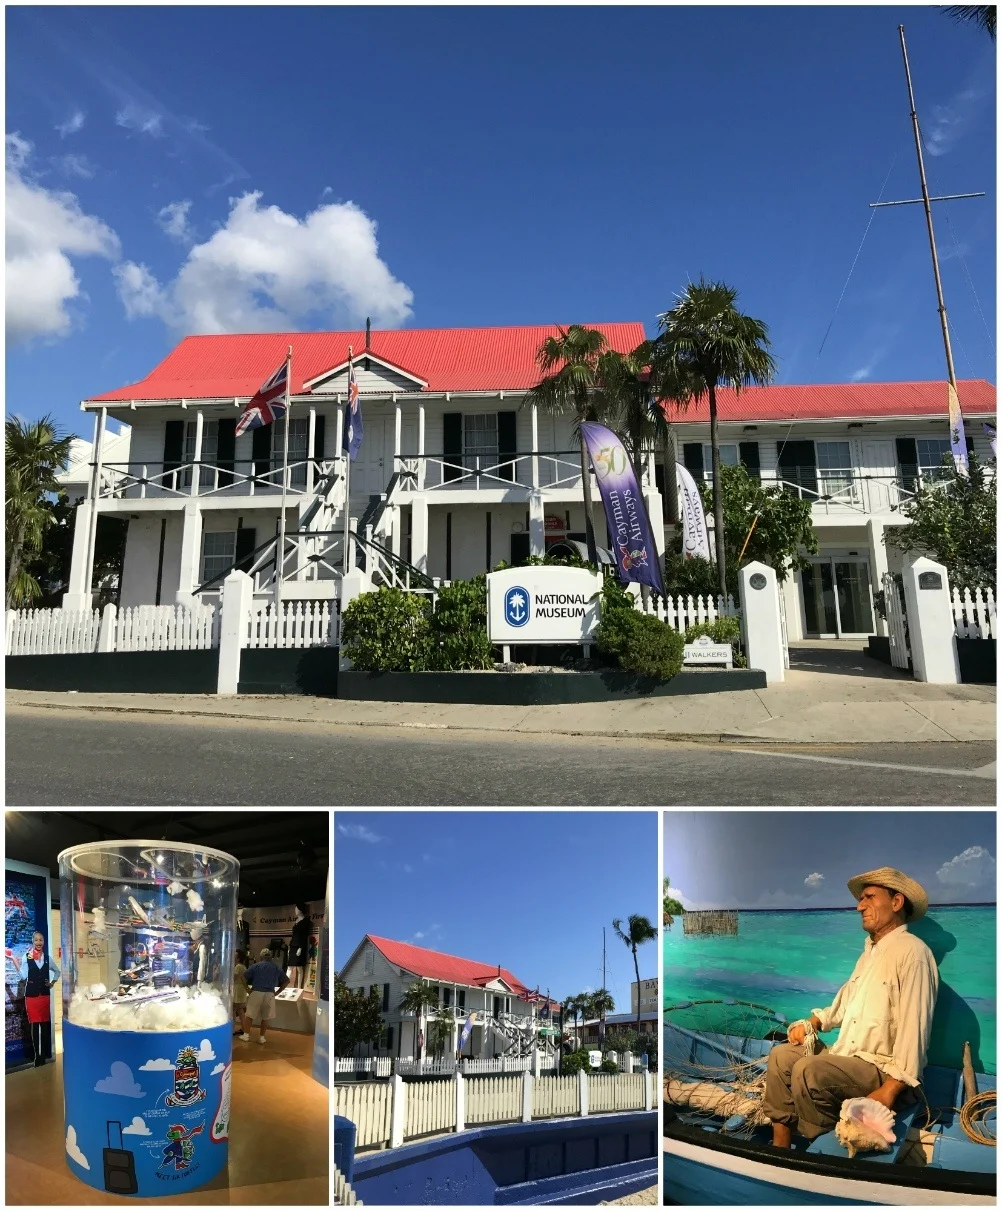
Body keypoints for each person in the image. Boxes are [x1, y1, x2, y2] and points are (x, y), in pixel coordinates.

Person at [763, 867, 939, 1149]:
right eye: (861, 899)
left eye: (869, 897)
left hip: (883, 1071)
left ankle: (819, 1145)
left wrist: (890, 1090)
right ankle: (780, 1147)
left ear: (896, 903)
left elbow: (914, 1032)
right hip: (850, 1057)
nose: (859, 906)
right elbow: (844, 1004)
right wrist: (812, 1023)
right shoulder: (870, 952)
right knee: (782, 1056)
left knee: (809, 1070)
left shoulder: (913, 953)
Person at [6, 931, 61, 1067]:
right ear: (33, 942)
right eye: (36, 940)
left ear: (43, 942)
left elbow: (57, 971)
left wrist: (53, 982)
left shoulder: (47, 958)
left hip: (45, 996)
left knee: (45, 1026)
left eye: (40, 940)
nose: (38, 942)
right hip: (32, 997)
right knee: (35, 1027)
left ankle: (45, 1054)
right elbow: (24, 976)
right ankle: (38, 1057)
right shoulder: (27, 957)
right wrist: (14, 960)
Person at [239, 947, 289, 1045]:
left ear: (261, 956)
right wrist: (278, 992)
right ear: (270, 957)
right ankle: (261, 1037)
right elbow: (286, 981)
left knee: (249, 1015)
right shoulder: (276, 967)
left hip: (256, 992)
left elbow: (243, 977)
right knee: (265, 1017)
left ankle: (246, 1035)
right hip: (270, 994)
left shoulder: (256, 966)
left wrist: (248, 990)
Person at [233, 949, 249, 1037]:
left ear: (238, 958)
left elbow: (234, 978)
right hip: (240, 990)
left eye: (235, 956)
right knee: (240, 1011)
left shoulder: (238, 967)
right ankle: (244, 1029)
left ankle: (232, 1029)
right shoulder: (243, 966)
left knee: (234, 1010)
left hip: (237, 990)